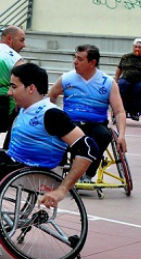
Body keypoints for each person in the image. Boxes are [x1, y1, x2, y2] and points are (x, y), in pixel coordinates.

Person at [0, 63, 99, 237]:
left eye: (14, 87)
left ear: (31, 88)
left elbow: (88, 148)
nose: (9, 92)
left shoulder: (51, 114)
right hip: (18, 163)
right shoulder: (24, 110)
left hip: (38, 170)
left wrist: (62, 189)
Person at [49, 44, 127, 183]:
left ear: (92, 62)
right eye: (75, 57)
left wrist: (121, 135)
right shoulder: (66, 78)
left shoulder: (107, 82)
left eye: (80, 59)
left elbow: (119, 111)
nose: (75, 61)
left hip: (96, 124)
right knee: (62, 134)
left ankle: (88, 174)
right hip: (71, 122)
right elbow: (51, 96)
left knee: (103, 135)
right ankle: (62, 170)